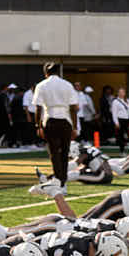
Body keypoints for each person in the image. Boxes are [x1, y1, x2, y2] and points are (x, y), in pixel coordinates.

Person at [32, 60, 81, 190]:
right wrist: (75, 127)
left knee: (54, 153)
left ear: (46, 72)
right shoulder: (67, 85)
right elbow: (74, 108)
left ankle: (58, 181)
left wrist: (38, 126)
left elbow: (38, 109)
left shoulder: (41, 85)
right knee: (65, 153)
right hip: (65, 120)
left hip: (50, 120)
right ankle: (63, 183)